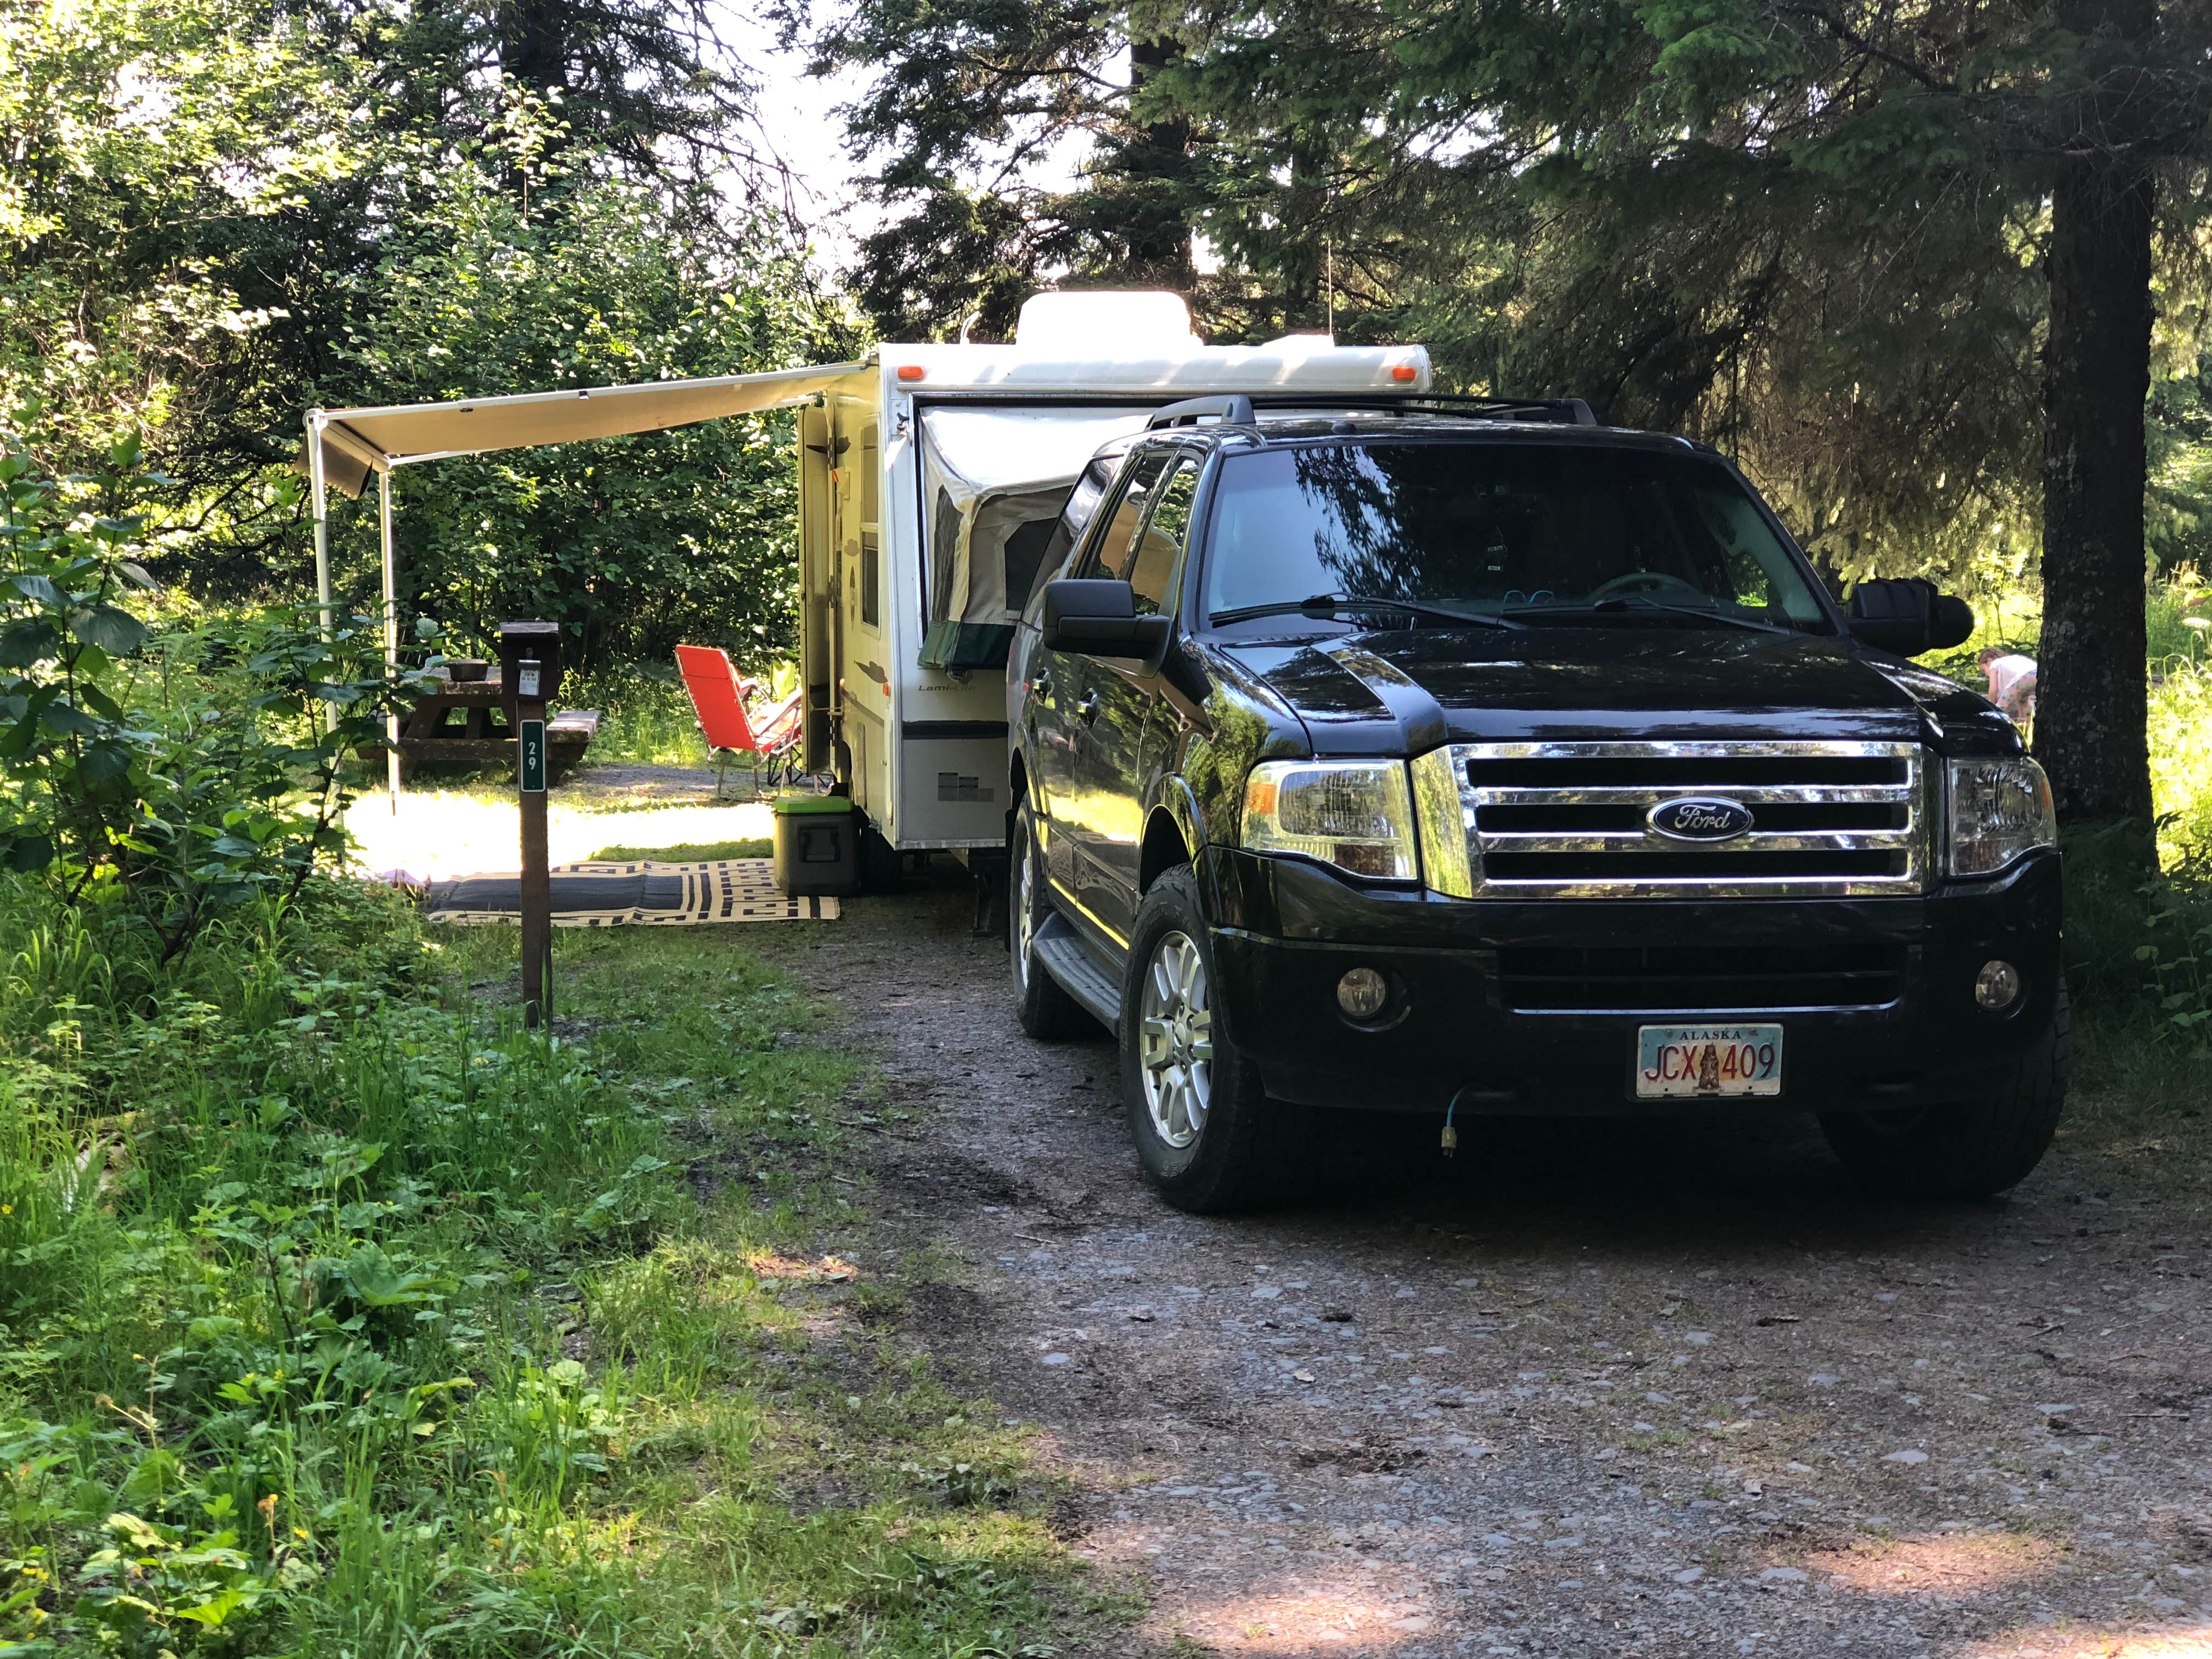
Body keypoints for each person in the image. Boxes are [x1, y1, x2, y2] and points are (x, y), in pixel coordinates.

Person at [1979, 646, 2037, 732]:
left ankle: (1991, 727)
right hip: (2037, 674)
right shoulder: (2011, 662)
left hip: (2024, 678)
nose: (1986, 675)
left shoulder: (1995, 664)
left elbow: (1993, 691)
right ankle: (2028, 723)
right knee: (2023, 700)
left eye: (1984, 670)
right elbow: (2018, 693)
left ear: (1989, 661)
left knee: (2001, 707)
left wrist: (1992, 706)